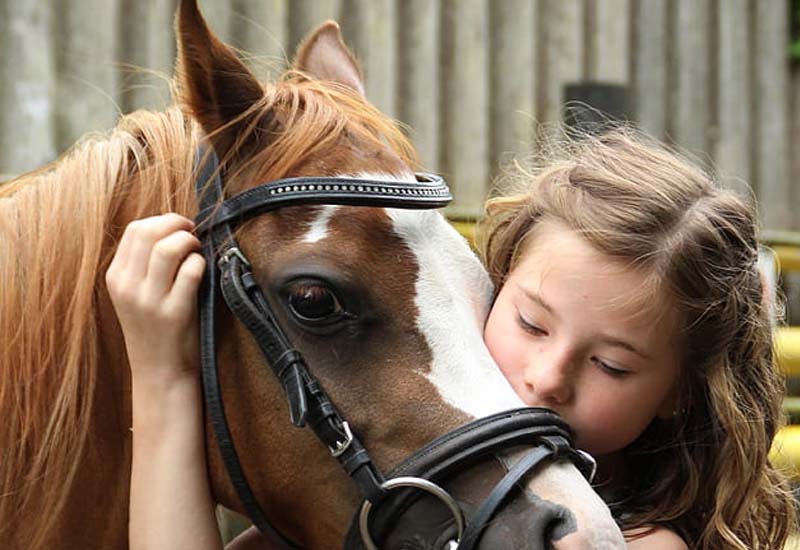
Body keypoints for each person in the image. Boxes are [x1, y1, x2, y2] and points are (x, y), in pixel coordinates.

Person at [107, 128, 796, 550]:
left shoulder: (629, 544)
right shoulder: (401, 493)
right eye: (529, 324)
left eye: (612, 364)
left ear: (679, 391)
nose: (548, 376)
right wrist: (162, 374)